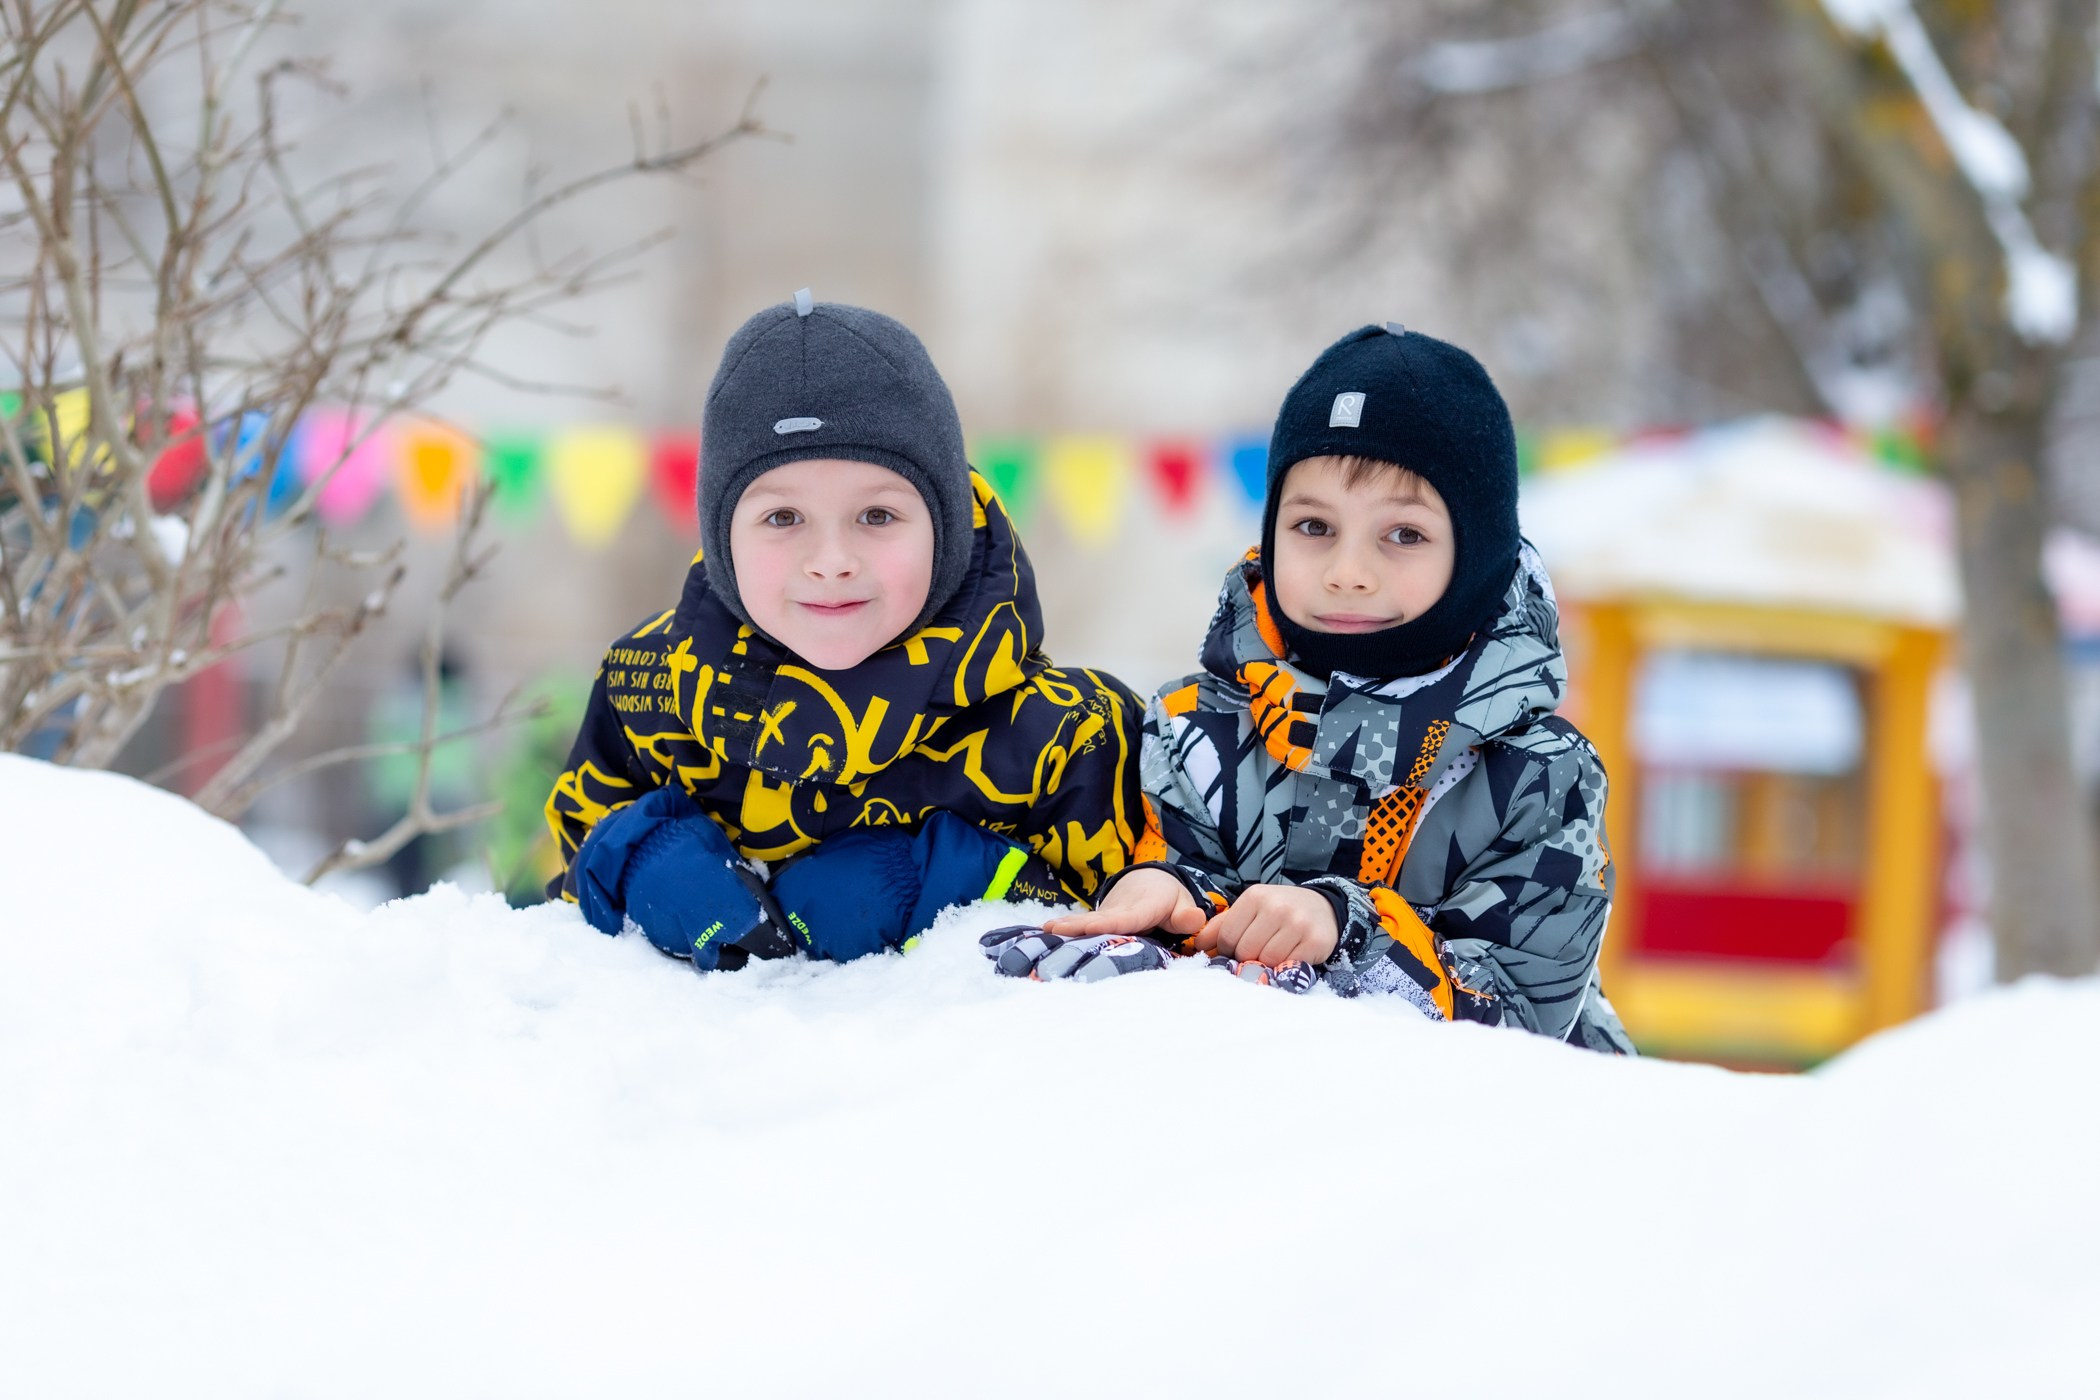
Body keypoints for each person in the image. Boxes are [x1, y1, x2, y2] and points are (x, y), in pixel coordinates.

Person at [1011, 322, 1633, 1053]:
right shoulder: (1194, 728)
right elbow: (1188, 910)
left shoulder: (1540, 773)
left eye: (1402, 534)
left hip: (1502, 1142)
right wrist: (1171, 899)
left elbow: (1523, 1008)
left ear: (1478, 554)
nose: (1347, 570)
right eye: (1313, 525)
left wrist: (1343, 926)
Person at [544, 291, 1143, 970]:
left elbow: (1139, 943)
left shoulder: (1066, 732)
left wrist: (956, 885)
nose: (831, 562)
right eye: (782, 518)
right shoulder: (648, 690)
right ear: (721, 537)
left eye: (877, 517)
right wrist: (636, 863)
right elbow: (567, 891)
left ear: (945, 528)